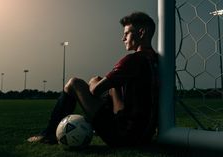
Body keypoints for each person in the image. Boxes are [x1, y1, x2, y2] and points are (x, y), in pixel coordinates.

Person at [27, 11, 159, 147]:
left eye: (126, 34)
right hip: (144, 136)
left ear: (142, 32)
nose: (123, 38)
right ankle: (95, 125)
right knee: (110, 85)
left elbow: (96, 90)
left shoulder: (133, 60)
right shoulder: (155, 60)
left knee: (74, 83)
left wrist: (93, 83)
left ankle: (49, 134)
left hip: (123, 136)